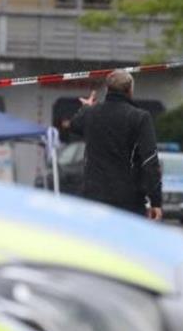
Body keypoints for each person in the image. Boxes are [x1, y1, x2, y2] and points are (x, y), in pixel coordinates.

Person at [68, 70, 162, 219]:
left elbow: (74, 125)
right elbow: (149, 161)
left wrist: (86, 108)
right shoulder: (140, 118)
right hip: (128, 201)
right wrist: (156, 200)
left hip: (94, 198)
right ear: (130, 90)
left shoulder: (91, 114)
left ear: (107, 89)